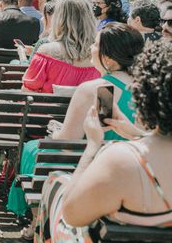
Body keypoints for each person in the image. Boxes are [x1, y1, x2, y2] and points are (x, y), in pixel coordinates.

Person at [8, 23, 145, 235]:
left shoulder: (99, 90)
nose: (91, 47)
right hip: (136, 176)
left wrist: (56, 130)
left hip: (95, 171)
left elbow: (66, 141)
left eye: (96, 44)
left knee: (33, 149)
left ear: (108, 58)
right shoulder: (146, 90)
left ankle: (37, 220)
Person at [35, 40, 172, 242]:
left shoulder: (122, 160)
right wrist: (135, 133)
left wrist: (93, 145)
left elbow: (72, 214)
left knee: (56, 182)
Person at [22, 0, 99, 94]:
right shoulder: (101, 56)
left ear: (59, 18)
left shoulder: (46, 52)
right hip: (86, 109)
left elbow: (27, 91)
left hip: (47, 109)